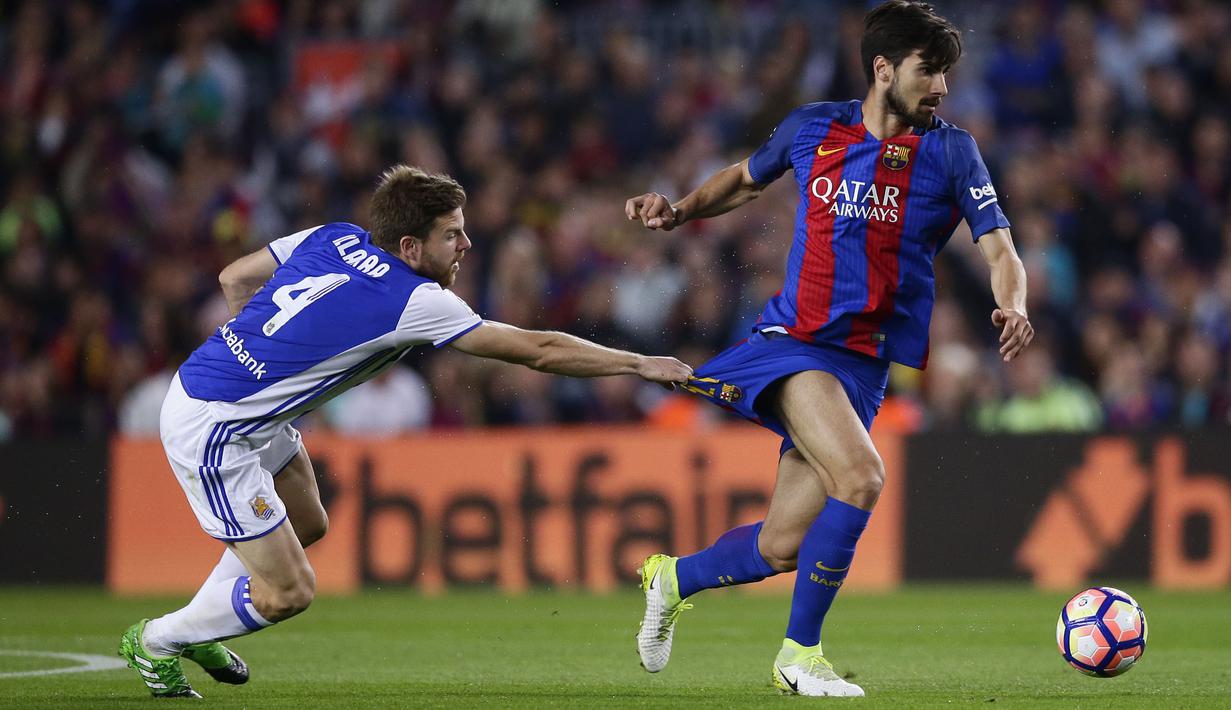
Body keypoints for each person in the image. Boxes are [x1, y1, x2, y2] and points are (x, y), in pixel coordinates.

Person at [118, 165, 693, 698]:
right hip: (216, 427)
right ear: (410, 247)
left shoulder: (333, 235)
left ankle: (201, 625)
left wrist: (263, 358)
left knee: (309, 521)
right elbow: (536, 350)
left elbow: (234, 276)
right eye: (453, 236)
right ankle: (158, 641)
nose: (466, 246)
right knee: (288, 593)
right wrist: (639, 364)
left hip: (218, 389)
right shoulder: (413, 299)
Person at [625, 0, 1032, 697]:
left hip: (864, 368)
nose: (940, 87)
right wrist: (682, 209)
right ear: (882, 69)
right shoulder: (813, 126)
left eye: (945, 74)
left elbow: (1000, 248)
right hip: (795, 345)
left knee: (779, 547)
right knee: (862, 476)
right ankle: (799, 657)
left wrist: (1012, 301)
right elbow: (745, 178)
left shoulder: (950, 151)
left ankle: (670, 578)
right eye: (926, 71)